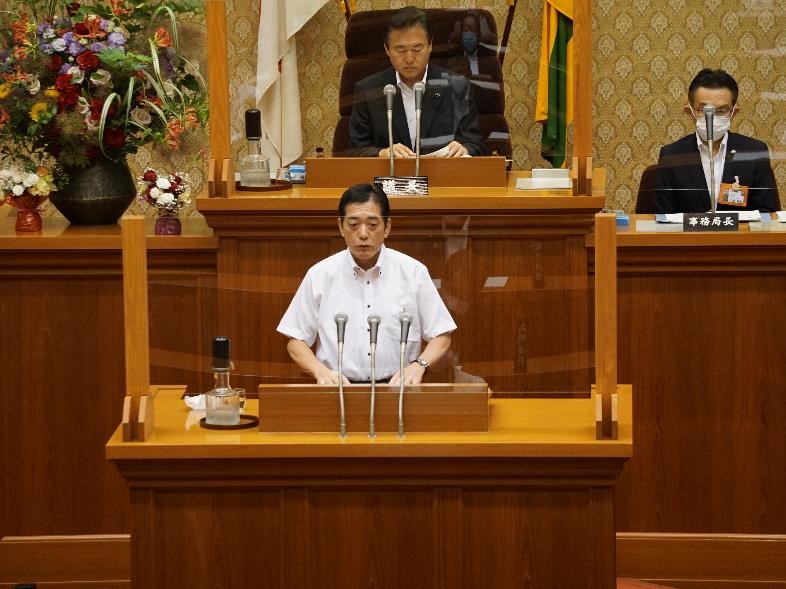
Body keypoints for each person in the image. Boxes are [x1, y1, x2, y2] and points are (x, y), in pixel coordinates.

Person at [277, 183, 456, 385]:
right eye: (353, 225)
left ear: (387, 227)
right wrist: (320, 371)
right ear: (340, 227)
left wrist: (419, 365)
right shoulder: (320, 275)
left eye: (372, 225)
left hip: (397, 391)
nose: (363, 234)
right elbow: (295, 340)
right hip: (338, 390)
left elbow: (441, 335)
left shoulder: (413, 272)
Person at [348, 6, 487, 158]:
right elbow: (355, 151)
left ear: (430, 45)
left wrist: (465, 149)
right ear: (387, 49)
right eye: (400, 50)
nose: (409, 58)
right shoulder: (368, 90)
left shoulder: (457, 87)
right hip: (389, 179)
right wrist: (381, 153)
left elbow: (476, 145)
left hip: (443, 179)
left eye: (417, 49)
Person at [654, 68, 780, 214]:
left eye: (721, 110)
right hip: (689, 236)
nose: (711, 117)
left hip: (740, 236)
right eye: (704, 110)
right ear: (690, 112)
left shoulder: (754, 152)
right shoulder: (671, 155)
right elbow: (663, 216)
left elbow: (767, 214)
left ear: (733, 112)